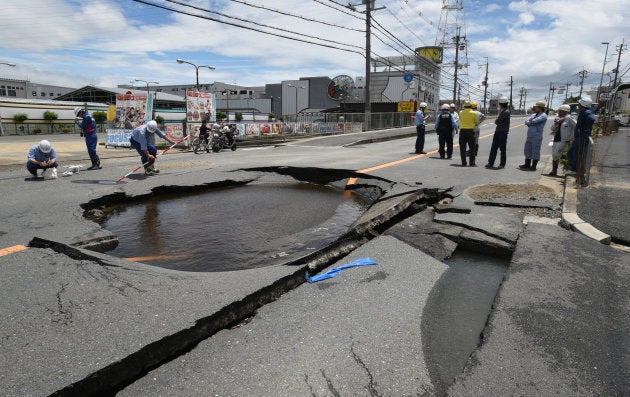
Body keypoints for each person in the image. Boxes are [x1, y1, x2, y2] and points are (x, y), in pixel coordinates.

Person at [567, 97, 595, 179]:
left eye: (579, 104)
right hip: (580, 136)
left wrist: (586, 129)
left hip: (582, 137)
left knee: (576, 153)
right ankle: (574, 169)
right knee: (572, 153)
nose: (578, 106)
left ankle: (575, 170)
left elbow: (591, 119)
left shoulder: (587, 112)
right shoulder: (584, 112)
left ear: (582, 105)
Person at [547, 104, 576, 176]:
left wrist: (571, 136)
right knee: (554, 155)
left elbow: (576, 125)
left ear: (564, 111)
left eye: (560, 110)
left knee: (557, 153)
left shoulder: (569, 118)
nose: (558, 112)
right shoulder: (558, 118)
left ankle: (567, 160)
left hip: (564, 139)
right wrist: (557, 123)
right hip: (556, 138)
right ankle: (554, 171)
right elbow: (552, 128)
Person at [519, 100, 548, 171]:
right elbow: (526, 121)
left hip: (537, 136)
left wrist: (530, 122)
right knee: (527, 149)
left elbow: (534, 121)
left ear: (540, 108)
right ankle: (527, 164)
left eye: (536, 107)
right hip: (530, 135)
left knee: (535, 150)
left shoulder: (543, 115)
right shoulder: (533, 115)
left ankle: (534, 166)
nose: (534, 108)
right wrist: (530, 122)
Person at [485, 97, 511, 169]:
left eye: (500, 104)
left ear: (501, 104)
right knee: (494, 148)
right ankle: (490, 163)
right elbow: (498, 121)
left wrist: (497, 120)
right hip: (498, 131)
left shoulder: (506, 112)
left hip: (502, 132)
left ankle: (502, 164)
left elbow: (497, 121)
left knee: (502, 149)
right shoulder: (503, 111)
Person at [458, 101, 478, 166]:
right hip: (470, 131)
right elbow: (476, 122)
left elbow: (460, 119)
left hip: (462, 131)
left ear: (464, 106)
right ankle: (472, 163)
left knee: (462, 148)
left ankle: (464, 163)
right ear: (471, 106)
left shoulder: (461, 113)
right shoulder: (474, 113)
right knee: (472, 148)